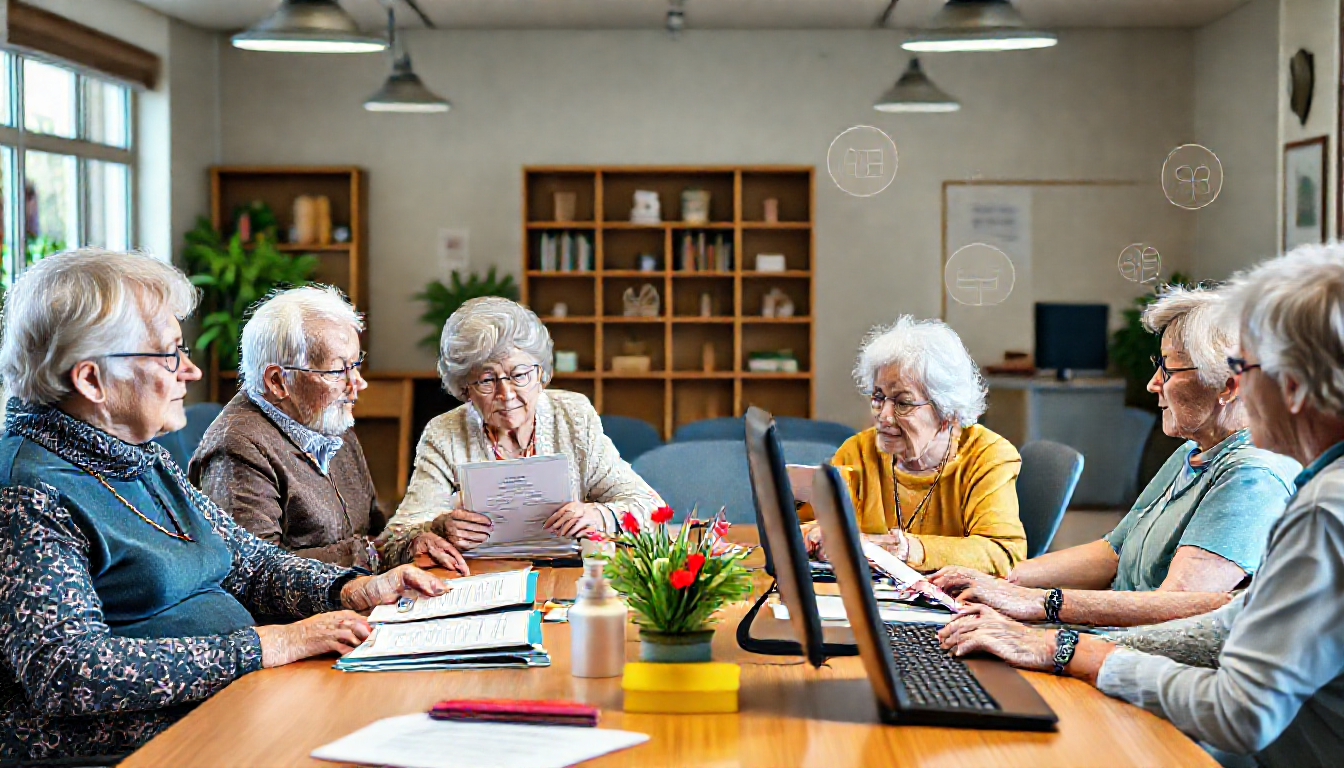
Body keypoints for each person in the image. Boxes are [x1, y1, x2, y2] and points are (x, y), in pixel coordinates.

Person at [0, 250, 446, 764]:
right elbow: (68, 672)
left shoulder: (137, 455)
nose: (190, 370)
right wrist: (269, 645)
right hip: (141, 747)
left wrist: (351, 588)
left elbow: (250, 561)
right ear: (91, 380)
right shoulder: (27, 494)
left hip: (234, 703)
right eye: (169, 355)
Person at [939, 245, 1344, 768]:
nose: (1236, 384)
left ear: (1290, 385)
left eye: (1244, 367)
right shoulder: (1321, 490)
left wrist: (1069, 647)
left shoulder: (1319, 509)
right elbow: (1229, 621)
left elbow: (1240, 711)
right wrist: (1051, 635)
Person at [929, 287, 1299, 627]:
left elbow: (1176, 607)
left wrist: (1038, 602)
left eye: (1169, 368)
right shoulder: (1193, 452)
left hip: (1143, 656)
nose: (1154, 382)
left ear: (1228, 386)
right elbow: (1113, 551)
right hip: (1110, 637)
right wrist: (1000, 582)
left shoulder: (1254, 475)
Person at [379, 297, 663, 566]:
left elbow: (651, 508)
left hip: (564, 575)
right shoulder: (445, 434)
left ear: (541, 375)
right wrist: (436, 528)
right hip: (478, 579)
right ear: (465, 390)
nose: (507, 393)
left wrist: (601, 515)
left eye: (519, 375)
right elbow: (393, 539)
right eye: (487, 380)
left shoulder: (573, 417)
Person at [188, 287, 450, 572]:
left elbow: (373, 532)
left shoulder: (326, 420)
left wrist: (409, 543)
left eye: (356, 364)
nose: (357, 383)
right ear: (277, 381)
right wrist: (366, 555)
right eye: (338, 371)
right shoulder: (236, 448)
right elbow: (255, 574)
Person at [802, 315, 1027, 576]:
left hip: (956, 608)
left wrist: (908, 549)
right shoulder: (858, 453)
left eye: (903, 403)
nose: (883, 415)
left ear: (947, 412)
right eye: (878, 397)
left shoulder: (987, 456)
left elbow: (1004, 554)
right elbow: (809, 524)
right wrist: (816, 535)